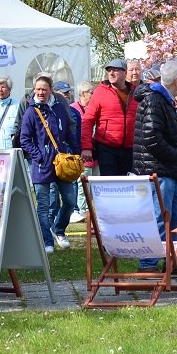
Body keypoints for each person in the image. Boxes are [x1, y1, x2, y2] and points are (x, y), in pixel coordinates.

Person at [131, 60, 177, 269]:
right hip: (158, 170)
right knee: (159, 218)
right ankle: (148, 264)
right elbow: (151, 138)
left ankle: (174, 262)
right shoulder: (155, 100)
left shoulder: (163, 99)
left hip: (169, 171)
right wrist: (176, 155)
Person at [20, 75, 78, 253]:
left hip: (61, 163)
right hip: (41, 166)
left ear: (51, 89)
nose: (41, 92)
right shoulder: (31, 111)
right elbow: (25, 139)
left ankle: (58, 229)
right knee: (43, 206)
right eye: (37, 89)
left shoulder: (60, 107)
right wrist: (40, 157)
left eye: (44, 89)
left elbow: (69, 131)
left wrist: (76, 153)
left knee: (69, 201)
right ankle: (47, 242)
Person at [81, 58, 138, 177]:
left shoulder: (135, 92)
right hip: (106, 148)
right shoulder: (100, 92)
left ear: (124, 72)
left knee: (128, 187)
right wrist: (86, 147)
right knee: (110, 185)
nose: (111, 73)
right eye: (109, 70)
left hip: (130, 149)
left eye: (115, 70)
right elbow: (88, 120)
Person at [72, 80, 96, 220]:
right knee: (83, 183)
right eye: (91, 92)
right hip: (81, 152)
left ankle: (92, 210)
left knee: (95, 182)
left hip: (96, 152)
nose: (94, 95)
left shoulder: (95, 108)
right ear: (83, 94)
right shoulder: (73, 109)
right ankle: (82, 210)